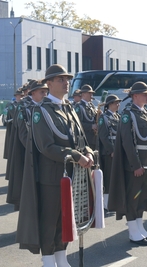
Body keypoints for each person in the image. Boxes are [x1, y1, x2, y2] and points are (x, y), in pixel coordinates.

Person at [16, 64, 94, 267]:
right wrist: (76, 155)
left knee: (65, 218)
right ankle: (48, 259)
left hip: (71, 174)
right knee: (50, 219)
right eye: (60, 79)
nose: (66, 83)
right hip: (52, 177)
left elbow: (80, 138)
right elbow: (46, 146)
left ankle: (61, 256)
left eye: (67, 79)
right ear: (48, 83)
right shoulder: (41, 111)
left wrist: (88, 152)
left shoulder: (68, 108)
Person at [108, 82, 147, 247]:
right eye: (144, 94)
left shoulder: (146, 113)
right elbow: (127, 142)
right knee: (133, 198)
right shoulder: (128, 114)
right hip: (135, 164)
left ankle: (140, 228)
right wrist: (136, 165)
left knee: (142, 197)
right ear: (135, 96)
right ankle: (133, 231)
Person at [6, 80, 48, 211]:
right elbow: (23, 134)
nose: (45, 95)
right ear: (33, 93)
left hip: (44, 151)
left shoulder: (46, 106)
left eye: (46, 92)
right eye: (42, 92)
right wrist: (35, 148)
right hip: (28, 152)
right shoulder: (24, 106)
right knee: (27, 184)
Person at [97, 94, 121, 210]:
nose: (118, 105)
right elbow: (103, 136)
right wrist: (111, 150)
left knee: (115, 176)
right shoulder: (104, 118)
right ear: (110, 104)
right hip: (109, 152)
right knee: (108, 177)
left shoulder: (118, 116)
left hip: (117, 150)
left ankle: (114, 200)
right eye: (116, 103)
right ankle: (106, 202)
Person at [74, 84, 97, 149]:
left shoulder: (91, 105)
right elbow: (78, 123)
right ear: (83, 94)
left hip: (94, 138)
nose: (91, 95)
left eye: (92, 93)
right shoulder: (79, 106)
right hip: (85, 139)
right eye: (89, 93)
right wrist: (91, 126)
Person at [3, 89, 23, 160]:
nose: (21, 97)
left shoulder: (23, 104)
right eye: (20, 95)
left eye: (22, 95)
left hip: (19, 127)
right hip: (13, 127)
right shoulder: (12, 105)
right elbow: (15, 115)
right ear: (16, 96)